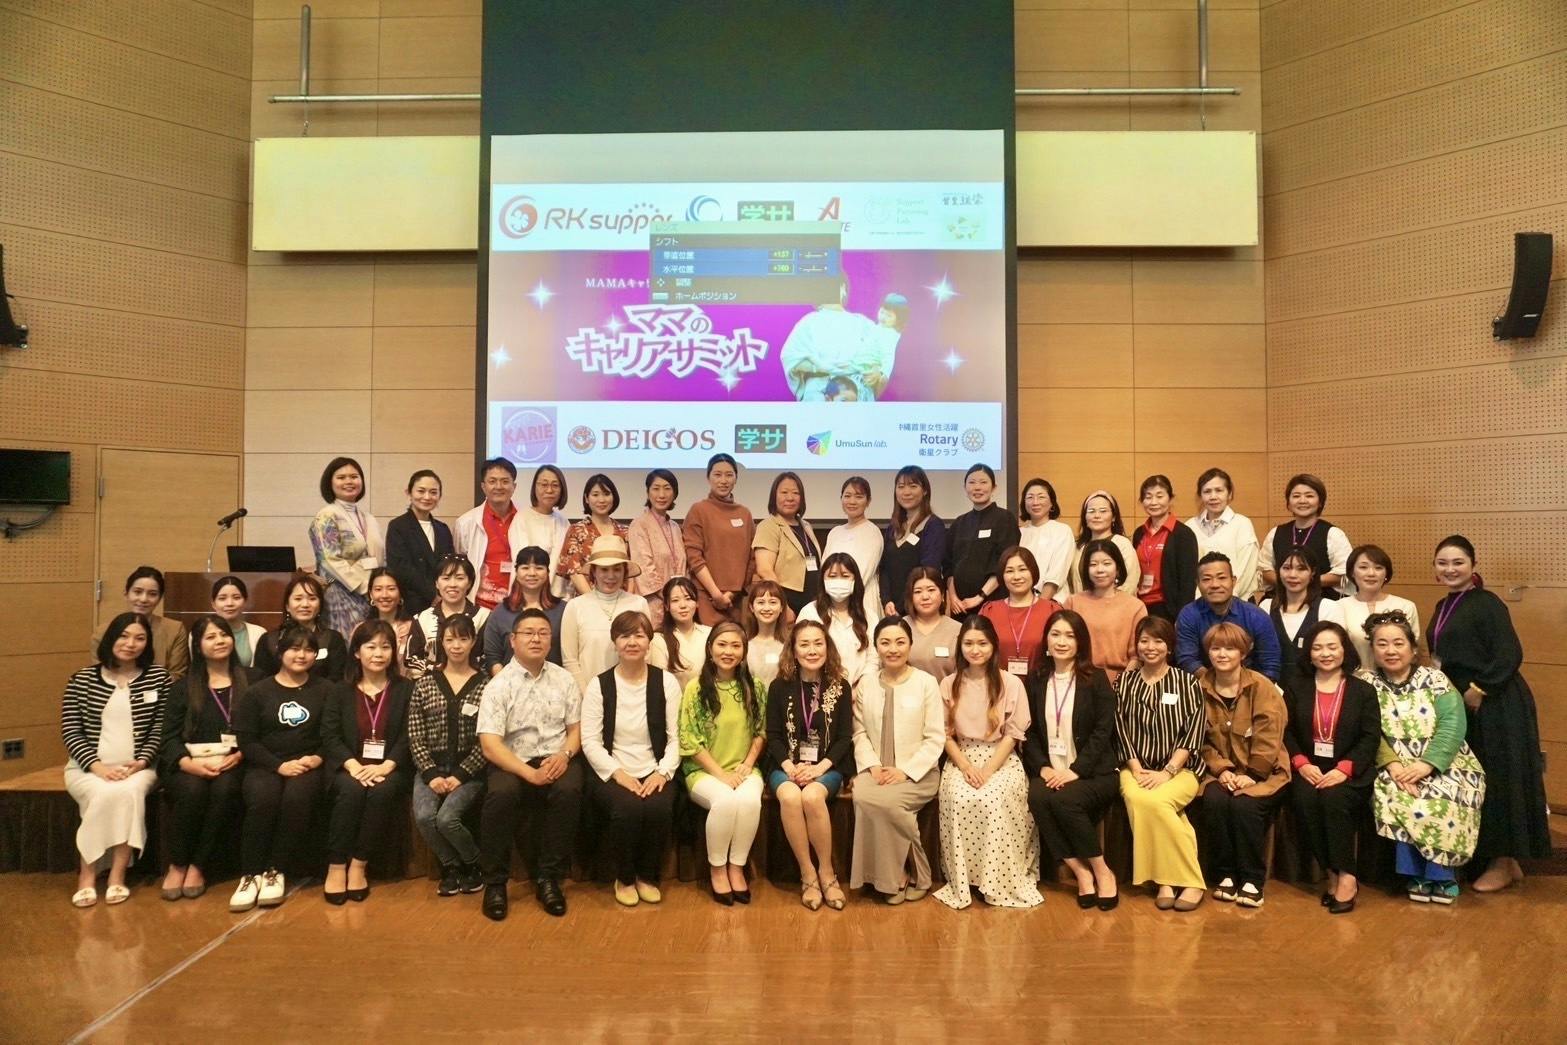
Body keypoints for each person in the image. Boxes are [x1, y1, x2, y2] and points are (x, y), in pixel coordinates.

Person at [1428, 535, 1549, 892]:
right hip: (1466, 705)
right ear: (1435, 568)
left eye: (1458, 562)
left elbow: (1509, 653)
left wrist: (1480, 689)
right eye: (1443, 563)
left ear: (1473, 566)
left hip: (1497, 701)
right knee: (1478, 779)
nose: (1450, 569)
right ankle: (1497, 859)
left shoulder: (1487, 602)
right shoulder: (1444, 603)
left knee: (1501, 779)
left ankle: (1503, 862)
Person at [1362, 610, 1485, 905]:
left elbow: (1453, 724)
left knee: (1446, 795)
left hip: (1446, 761)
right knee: (1399, 795)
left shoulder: (1435, 679)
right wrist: (1393, 765)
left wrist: (1427, 764)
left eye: (1398, 643)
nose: (1391, 650)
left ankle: (1441, 875)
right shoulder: (1365, 682)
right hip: (1393, 764)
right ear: (1373, 649)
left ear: (1413, 648)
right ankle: (1415, 874)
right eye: (1382, 644)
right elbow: (1366, 730)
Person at [476, 608, 584, 920]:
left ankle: (549, 878)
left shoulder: (564, 679)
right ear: (513, 640)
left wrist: (564, 756)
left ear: (551, 640)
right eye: (528, 633)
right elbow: (490, 744)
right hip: (513, 760)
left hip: (556, 756)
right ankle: (495, 883)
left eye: (543, 633)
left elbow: (576, 730)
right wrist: (529, 773)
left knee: (569, 790)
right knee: (501, 794)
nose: (536, 639)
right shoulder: (499, 685)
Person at [933, 616, 1042, 909]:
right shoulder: (948, 684)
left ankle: (997, 878)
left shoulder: (1011, 683)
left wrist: (987, 770)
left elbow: (1013, 735)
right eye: (968, 643)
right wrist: (967, 767)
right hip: (961, 757)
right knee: (959, 798)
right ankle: (967, 878)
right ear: (960, 646)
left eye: (982, 643)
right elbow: (944, 735)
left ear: (993, 645)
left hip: (1000, 757)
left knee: (993, 799)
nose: (975, 650)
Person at [61, 612, 168, 908]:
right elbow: (71, 730)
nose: (131, 644)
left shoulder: (158, 678)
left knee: (129, 792)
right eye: (124, 636)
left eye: (140, 638)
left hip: (140, 767)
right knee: (101, 793)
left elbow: (160, 728)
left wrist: (142, 761)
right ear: (111, 638)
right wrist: (98, 768)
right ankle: (87, 875)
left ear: (147, 644)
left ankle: (117, 876)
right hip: (87, 768)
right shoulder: (82, 679)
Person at [581, 611, 683, 907]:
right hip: (612, 771)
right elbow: (590, 741)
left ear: (649, 642)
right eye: (625, 636)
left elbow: (677, 737)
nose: (632, 642)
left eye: (639, 635)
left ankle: (647, 876)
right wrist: (618, 773)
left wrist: (662, 772)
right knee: (627, 809)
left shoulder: (666, 682)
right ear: (615, 642)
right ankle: (624, 878)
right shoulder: (599, 685)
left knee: (658, 808)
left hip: (656, 768)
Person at [1023, 610, 1120, 910]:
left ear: (1081, 643)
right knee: (1037, 796)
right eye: (1055, 635)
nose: (1062, 642)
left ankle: (1102, 871)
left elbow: (1103, 731)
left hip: (1094, 773)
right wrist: (1043, 767)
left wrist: (1076, 770)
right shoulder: (1036, 679)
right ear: (1046, 641)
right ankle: (1080, 872)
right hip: (1051, 770)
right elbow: (1030, 731)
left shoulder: (1096, 678)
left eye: (1070, 635)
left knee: (1064, 800)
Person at [232, 621, 332, 913]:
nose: (301, 655)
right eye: (294, 649)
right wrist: (278, 766)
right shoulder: (258, 692)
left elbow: (333, 733)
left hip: (308, 764)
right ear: (280, 652)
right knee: (263, 799)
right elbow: (247, 740)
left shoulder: (327, 690)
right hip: (266, 763)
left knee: (296, 799)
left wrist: (318, 757)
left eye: (309, 650)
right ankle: (250, 874)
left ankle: (276, 869)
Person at [1281, 622, 1380, 914]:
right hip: (1308, 767)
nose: (1325, 653)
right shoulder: (1296, 687)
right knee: (1305, 799)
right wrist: (1301, 763)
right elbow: (1285, 732)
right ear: (1309, 654)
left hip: (1349, 769)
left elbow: (1370, 736)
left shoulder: (1363, 690)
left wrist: (1345, 769)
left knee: (1333, 799)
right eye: (1318, 648)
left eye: (1332, 647)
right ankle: (1331, 872)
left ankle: (1347, 875)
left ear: (1344, 650)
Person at [1115, 615, 1207, 912]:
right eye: (1144, 641)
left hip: (1181, 768)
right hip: (1135, 767)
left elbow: (1193, 732)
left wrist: (1167, 772)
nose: (1150, 647)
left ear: (1170, 646)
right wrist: (1136, 767)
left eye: (1158, 641)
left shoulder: (1187, 682)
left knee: (1155, 802)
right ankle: (1173, 880)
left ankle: (1175, 880)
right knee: (1140, 799)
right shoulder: (1124, 682)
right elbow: (1119, 729)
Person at [850, 618, 945, 904]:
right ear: (876, 647)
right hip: (876, 769)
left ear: (910, 645)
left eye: (900, 642)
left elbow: (935, 737)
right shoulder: (867, 684)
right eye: (885, 642)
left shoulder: (926, 683)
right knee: (863, 797)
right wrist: (872, 765)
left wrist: (906, 771)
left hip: (918, 772)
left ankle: (916, 873)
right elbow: (859, 731)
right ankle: (900, 875)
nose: (893, 649)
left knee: (890, 803)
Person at [1196, 622, 1290, 909]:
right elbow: (1198, 738)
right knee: (1214, 801)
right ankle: (1225, 874)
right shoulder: (1198, 687)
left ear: (1243, 652)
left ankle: (1252, 879)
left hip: (1264, 771)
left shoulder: (1260, 686)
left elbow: (1270, 735)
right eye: (1215, 648)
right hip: (1219, 773)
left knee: (1244, 805)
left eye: (1230, 648)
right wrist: (1222, 769)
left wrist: (1252, 774)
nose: (1222, 654)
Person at [321, 620, 413, 904]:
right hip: (348, 766)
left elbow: (410, 734)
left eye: (386, 647)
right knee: (351, 790)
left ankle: (359, 864)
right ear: (357, 652)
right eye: (371, 646)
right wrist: (353, 766)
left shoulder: (405, 689)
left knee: (381, 791)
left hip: (390, 767)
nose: (378, 653)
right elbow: (330, 735)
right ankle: (337, 865)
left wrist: (388, 765)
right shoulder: (340, 690)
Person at [766, 618, 853, 911]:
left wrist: (818, 769)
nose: (812, 650)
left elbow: (844, 738)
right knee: (791, 796)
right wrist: (790, 767)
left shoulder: (840, 687)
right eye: (804, 644)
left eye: (818, 643)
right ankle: (807, 873)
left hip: (827, 765)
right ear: (793, 650)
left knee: (813, 796)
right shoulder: (779, 687)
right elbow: (773, 736)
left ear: (828, 647)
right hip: (785, 765)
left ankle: (827, 871)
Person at [678, 622, 767, 905]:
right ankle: (717, 869)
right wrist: (721, 775)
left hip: (744, 768)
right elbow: (690, 741)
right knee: (726, 801)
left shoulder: (755, 687)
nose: (728, 651)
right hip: (703, 771)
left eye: (735, 646)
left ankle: (736, 867)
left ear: (744, 652)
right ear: (710, 648)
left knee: (749, 802)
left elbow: (761, 731)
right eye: (722, 644)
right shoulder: (696, 688)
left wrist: (747, 764)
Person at [159, 614, 247, 902]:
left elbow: (263, 729)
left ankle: (198, 864)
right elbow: (168, 736)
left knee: (225, 789)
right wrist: (187, 764)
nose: (219, 641)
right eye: (210, 637)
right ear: (197, 646)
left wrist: (241, 754)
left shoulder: (253, 679)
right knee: (192, 791)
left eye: (223, 634)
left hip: (235, 761)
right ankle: (177, 864)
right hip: (189, 763)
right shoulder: (183, 687)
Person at [407, 613, 488, 897]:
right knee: (425, 816)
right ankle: (452, 866)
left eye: (463, 639)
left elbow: (488, 738)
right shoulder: (425, 683)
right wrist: (430, 774)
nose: (456, 645)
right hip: (430, 767)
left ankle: (474, 863)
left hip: (470, 770)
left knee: (447, 819)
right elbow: (415, 735)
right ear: (441, 641)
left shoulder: (486, 685)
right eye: (450, 639)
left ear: (473, 642)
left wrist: (461, 775)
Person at [455, 459, 569, 611]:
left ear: (514, 486)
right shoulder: (466, 523)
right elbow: (460, 566)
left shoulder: (526, 517)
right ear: (483, 486)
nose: (499, 486)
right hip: (479, 606)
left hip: (518, 604)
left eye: (505, 481)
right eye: (492, 481)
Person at [561, 536, 650, 691]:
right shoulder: (576, 606)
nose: (611, 576)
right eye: (604, 569)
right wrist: (587, 695)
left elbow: (647, 654)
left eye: (617, 569)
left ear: (625, 572)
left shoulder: (638, 604)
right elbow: (570, 660)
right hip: (588, 694)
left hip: (631, 694)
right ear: (594, 572)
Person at [309, 456, 385, 637]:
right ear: (330, 483)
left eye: (354, 476)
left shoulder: (368, 517)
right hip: (341, 595)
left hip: (372, 595)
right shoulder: (326, 516)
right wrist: (364, 586)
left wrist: (377, 588)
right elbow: (329, 560)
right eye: (341, 477)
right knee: (348, 644)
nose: (349, 481)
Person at [1175, 553, 1282, 679]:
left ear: (1233, 581)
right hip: (1203, 684)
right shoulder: (1189, 615)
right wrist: (1217, 684)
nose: (1215, 584)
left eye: (1221, 578)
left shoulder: (1256, 616)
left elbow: (1270, 665)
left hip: (1251, 684)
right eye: (1207, 579)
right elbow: (1187, 660)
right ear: (1198, 584)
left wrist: (1248, 687)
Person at [684, 453, 756, 624]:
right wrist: (716, 594)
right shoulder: (698, 510)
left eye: (729, 475)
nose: (723, 480)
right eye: (717, 474)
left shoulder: (744, 513)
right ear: (708, 477)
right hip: (706, 597)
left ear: (736, 478)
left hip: (737, 599)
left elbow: (751, 558)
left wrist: (732, 593)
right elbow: (694, 557)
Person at [1064, 539, 1148, 684]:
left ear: (1118, 568)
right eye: (1093, 564)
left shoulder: (1135, 606)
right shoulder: (1073, 602)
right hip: (1078, 680)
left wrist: (1122, 685)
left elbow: (1137, 656)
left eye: (1107, 563)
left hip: (1120, 681)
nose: (1100, 570)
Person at [1258, 473, 1351, 597]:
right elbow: (1264, 569)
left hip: (1322, 601)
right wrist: (1288, 582)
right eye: (1296, 496)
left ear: (1320, 502)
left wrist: (1305, 582)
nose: (1302, 501)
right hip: (1281, 600)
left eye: (1309, 496)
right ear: (1288, 503)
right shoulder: (1275, 533)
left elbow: (1343, 573)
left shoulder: (1333, 534)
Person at [91, 566, 189, 680]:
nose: (143, 599)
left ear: (160, 598)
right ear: (126, 593)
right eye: (137, 592)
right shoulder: (102, 632)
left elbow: (177, 675)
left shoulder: (174, 630)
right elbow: (99, 674)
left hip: (162, 690)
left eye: (152, 594)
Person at [945, 463, 1018, 615]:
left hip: (993, 602)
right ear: (965, 488)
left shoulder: (1004, 518)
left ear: (994, 487)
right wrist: (953, 597)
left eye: (983, 482)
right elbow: (948, 566)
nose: (977, 487)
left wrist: (980, 597)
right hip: (960, 606)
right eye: (972, 482)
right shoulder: (959, 523)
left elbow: (1005, 563)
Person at [979, 546, 1060, 679]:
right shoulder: (989, 611)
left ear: (1033, 572)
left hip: (1041, 686)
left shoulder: (1052, 610)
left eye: (1022, 569)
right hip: (997, 685)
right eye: (1009, 571)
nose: (1016, 576)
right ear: (1002, 576)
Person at [253, 572, 349, 682]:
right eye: (298, 599)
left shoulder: (332, 639)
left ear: (320, 605)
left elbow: (338, 680)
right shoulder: (269, 640)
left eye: (312, 599)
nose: (305, 605)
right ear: (287, 606)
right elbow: (261, 681)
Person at [481, 546, 564, 673]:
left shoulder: (563, 610)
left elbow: (570, 657)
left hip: (555, 683)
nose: (532, 573)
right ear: (516, 572)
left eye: (539, 568)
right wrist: (505, 682)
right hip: (509, 683)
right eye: (525, 568)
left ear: (548, 572)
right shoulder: (501, 612)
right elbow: (492, 657)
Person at [751, 471, 824, 615]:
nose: (790, 498)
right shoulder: (768, 526)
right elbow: (764, 570)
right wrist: (783, 606)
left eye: (795, 493)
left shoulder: (806, 526)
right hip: (788, 601)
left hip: (813, 601)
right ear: (774, 496)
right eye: (784, 492)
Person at [383, 468, 455, 614]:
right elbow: (401, 568)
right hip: (411, 603)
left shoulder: (443, 529)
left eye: (433, 492)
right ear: (409, 493)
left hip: (443, 602)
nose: (427, 497)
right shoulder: (398, 526)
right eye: (421, 491)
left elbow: (449, 565)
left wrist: (443, 594)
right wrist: (433, 594)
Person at [1258, 549, 1344, 669]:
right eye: (1286, 568)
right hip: (1272, 678)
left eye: (1301, 569)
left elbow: (1335, 654)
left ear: (1312, 572)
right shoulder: (1265, 607)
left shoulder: (1328, 608)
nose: (1293, 575)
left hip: (1316, 678)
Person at [407, 554, 490, 678]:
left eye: (459, 578)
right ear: (436, 583)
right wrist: (438, 671)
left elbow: (489, 658)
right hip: (429, 686)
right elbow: (411, 660)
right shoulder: (422, 619)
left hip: (474, 685)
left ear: (469, 583)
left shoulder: (484, 617)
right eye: (446, 578)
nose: (452, 584)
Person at [797, 553, 874, 686]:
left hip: (861, 689)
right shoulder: (809, 612)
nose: (839, 581)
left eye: (845, 576)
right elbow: (800, 652)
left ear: (855, 580)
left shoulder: (869, 616)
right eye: (832, 576)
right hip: (819, 689)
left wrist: (860, 687)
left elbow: (874, 658)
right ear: (823, 580)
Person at [880, 465, 946, 616]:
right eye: (901, 486)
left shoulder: (933, 525)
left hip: (919, 609)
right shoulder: (892, 527)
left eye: (913, 486)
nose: (906, 492)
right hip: (891, 610)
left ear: (925, 490)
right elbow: (884, 569)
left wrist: (902, 606)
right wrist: (886, 601)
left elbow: (929, 571)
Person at [1340, 545, 1421, 668]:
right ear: (1352, 572)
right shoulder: (1338, 607)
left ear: (1386, 573)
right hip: (1353, 676)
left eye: (1378, 568)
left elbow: (1413, 651)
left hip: (1395, 676)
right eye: (1363, 567)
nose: (1371, 573)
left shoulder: (1405, 606)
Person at [1132, 474, 1198, 623]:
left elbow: (1188, 582)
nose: (1153, 502)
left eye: (1159, 496)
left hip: (1169, 608)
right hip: (1140, 605)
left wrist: (1182, 618)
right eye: (1148, 497)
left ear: (1170, 498)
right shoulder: (1139, 533)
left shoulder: (1183, 534)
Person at [1187, 467, 1260, 601]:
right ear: (1200, 495)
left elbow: (1246, 570)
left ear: (1229, 494)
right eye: (1207, 491)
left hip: (1237, 603)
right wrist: (1200, 602)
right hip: (1199, 605)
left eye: (1219, 490)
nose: (1213, 497)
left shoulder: (1242, 524)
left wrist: (1224, 602)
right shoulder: (1190, 526)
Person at [627, 468, 686, 626]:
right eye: (656, 488)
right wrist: (669, 596)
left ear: (674, 493)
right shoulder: (639, 525)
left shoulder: (675, 527)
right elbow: (644, 567)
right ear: (648, 493)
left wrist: (680, 596)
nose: (661, 495)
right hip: (653, 602)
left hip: (678, 604)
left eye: (667, 488)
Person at [557, 473, 630, 596]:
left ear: (613, 497)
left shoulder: (625, 532)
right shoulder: (576, 530)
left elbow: (630, 572)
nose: (601, 500)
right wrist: (594, 601)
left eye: (606, 494)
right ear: (586, 498)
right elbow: (574, 572)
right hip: (586, 600)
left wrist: (628, 599)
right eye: (595, 495)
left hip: (621, 600)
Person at [824, 476, 884, 625]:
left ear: (868, 501)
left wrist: (841, 595)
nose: (852, 501)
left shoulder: (872, 531)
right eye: (847, 496)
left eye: (859, 496)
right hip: (831, 600)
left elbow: (863, 574)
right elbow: (824, 569)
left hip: (861, 600)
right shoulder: (835, 532)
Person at [1066, 491, 1140, 597]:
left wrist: (1110, 603)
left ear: (1113, 517)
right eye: (1091, 511)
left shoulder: (1122, 544)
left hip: (1116, 604)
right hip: (1081, 604)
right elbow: (1069, 584)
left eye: (1103, 511)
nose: (1097, 516)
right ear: (1084, 517)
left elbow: (1130, 581)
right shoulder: (1077, 547)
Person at [1018, 478, 1074, 601]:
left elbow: (1057, 574)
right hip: (1021, 601)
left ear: (1052, 503)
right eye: (1030, 497)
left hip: (1053, 600)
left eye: (1041, 497)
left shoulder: (1062, 530)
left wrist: (1040, 605)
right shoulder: (1019, 533)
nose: (1035, 502)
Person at [649, 577, 710, 691]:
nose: (683, 605)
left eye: (688, 598)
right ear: (666, 606)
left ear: (697, 603)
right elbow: (660, 683)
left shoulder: (709, 634)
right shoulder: (659, 639)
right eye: (675, 600)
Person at [904, 566, 960, 681]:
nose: (925, 597)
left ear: (942, 594)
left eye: (931, 590)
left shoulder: (958, 630)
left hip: (946, 692)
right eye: (918, 592)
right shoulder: (899, 628)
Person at [210, 574, 266, 670]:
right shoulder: (199, 633)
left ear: (245, 602)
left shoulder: (259, 633)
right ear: (213, 604)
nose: (229, 603)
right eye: (222, 598)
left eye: (236, 598)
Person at [363, 567, 415, 669]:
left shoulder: (414, 628)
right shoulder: (362, 629)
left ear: (400, 593)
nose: (384, 595)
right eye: (378, 589)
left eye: (391, 589)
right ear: (371, 594)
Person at [743, 579, 788, 689]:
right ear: (752, 607)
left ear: (781, 607)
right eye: (761, 602)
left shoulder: (789, 645)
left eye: (773, 602)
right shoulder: (744, 645)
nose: (767, 608)